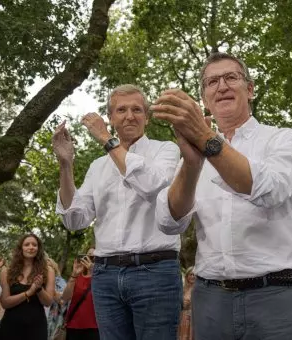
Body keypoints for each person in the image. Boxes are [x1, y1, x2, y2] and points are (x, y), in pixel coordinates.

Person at [153, 52, 292, 339]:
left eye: (231, 78)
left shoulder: (284, 139)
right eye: (212, 81)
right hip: (211, 300)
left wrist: (204, 136)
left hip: (276, 298)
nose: (221, 86)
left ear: (249, 90)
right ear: (204, 99)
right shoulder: (193, 153)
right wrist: (191, 164)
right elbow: (169, 221)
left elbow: (269, 190)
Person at [53, 84, 182, 340]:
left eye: (136, 109)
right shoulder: (98, 166)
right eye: (121, 110)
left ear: (146, 115)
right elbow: (75, 219)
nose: (129, 115)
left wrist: (106, 139)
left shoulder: (165, 150)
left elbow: (151, 185)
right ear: (111, 117)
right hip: (106, 275)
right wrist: (66, 166)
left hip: (155, 272)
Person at [0, 234, 55, 340]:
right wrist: (28, 293)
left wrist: (39, 289)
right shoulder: (7, 271)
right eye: (27, 244)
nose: (31, 247)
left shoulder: (48, 271)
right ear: (20, 248)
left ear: (38, 249)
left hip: (36, 329)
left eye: (34, 245)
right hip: (10, 328)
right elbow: (5, 303)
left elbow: (48, 302)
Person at [60, 248, 98, 340]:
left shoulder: (102, 278)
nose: (91, 259)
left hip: (96, 328)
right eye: (89, 256)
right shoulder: (77, 276)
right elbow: (65, 297)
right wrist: (74, 275)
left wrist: (95, 272)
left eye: (94, 257)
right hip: (74, 326)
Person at [178, 267, 195, 340]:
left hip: (195, 318)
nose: (192, 276)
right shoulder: (183, 289)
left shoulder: (199, 290)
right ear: (187, 276)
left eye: (194, 275)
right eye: (190, 274)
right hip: (183, 318)